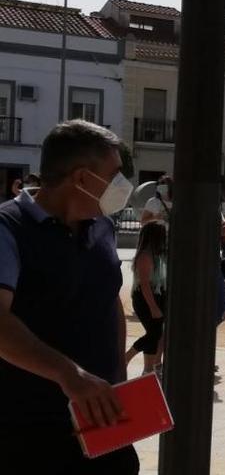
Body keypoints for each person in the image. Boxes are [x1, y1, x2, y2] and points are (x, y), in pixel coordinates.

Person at [0, 120, 139, 473]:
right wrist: (69, 375)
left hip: (106, 425)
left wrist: (118, 374)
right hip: (30, 433)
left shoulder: (103, 227)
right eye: (115, 173)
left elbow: (110, 301)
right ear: (81, 178)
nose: (123, 185)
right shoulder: (9, 230)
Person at [125, 220, 168, 376]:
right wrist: (153, 307)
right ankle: (128, 358)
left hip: (158, 296)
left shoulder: (160, 254)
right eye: (164, 235)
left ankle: (152, 367)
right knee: (154, 334)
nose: (166, 237)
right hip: (146, 299)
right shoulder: (145, 256)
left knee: (159, 334)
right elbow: (144, 284)